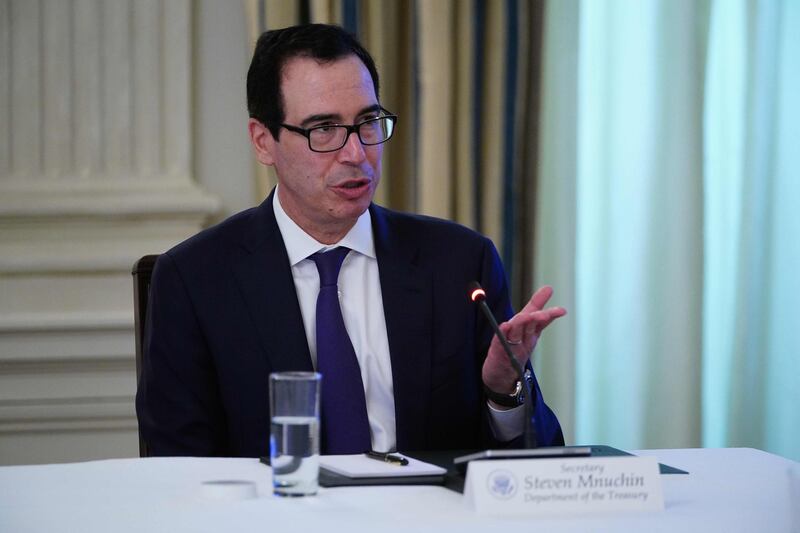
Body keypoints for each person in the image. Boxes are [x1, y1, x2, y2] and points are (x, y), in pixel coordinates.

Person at [136, 23, 566, 457]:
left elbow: (537, 458)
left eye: (368, 122)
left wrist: (503, 390)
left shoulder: (458, 263)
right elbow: (178, 463)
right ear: (263, 141)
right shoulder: (196, 280)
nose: (356, 153)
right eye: (323, 128)